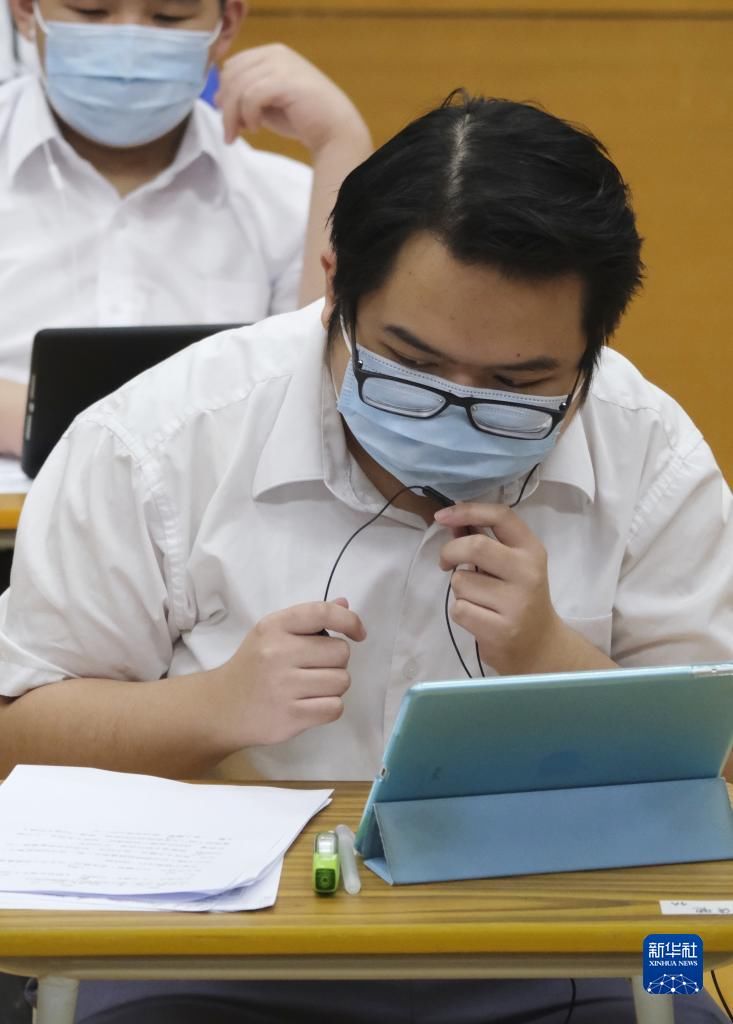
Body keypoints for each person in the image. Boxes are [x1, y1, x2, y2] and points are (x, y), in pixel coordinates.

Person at [1, 94, 730, 1023]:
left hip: (575, 941)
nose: (455, 410)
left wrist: (550, 655)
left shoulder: (652, 452)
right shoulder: (155, 437)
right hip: (202, 953)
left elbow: (720, 770)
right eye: (408, 365)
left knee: (688, 1001)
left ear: (589, 356)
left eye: (516, 388)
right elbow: (18, 742)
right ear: (335, 284)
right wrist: (211, 708)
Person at [0, 0, 372, 456]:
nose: (128, 44)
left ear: (226, 23)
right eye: (91, 11)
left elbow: (327, 403)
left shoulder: (287, 203)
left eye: (167, 17)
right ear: (23, 10)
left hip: (207, 519)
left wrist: (339, 142)